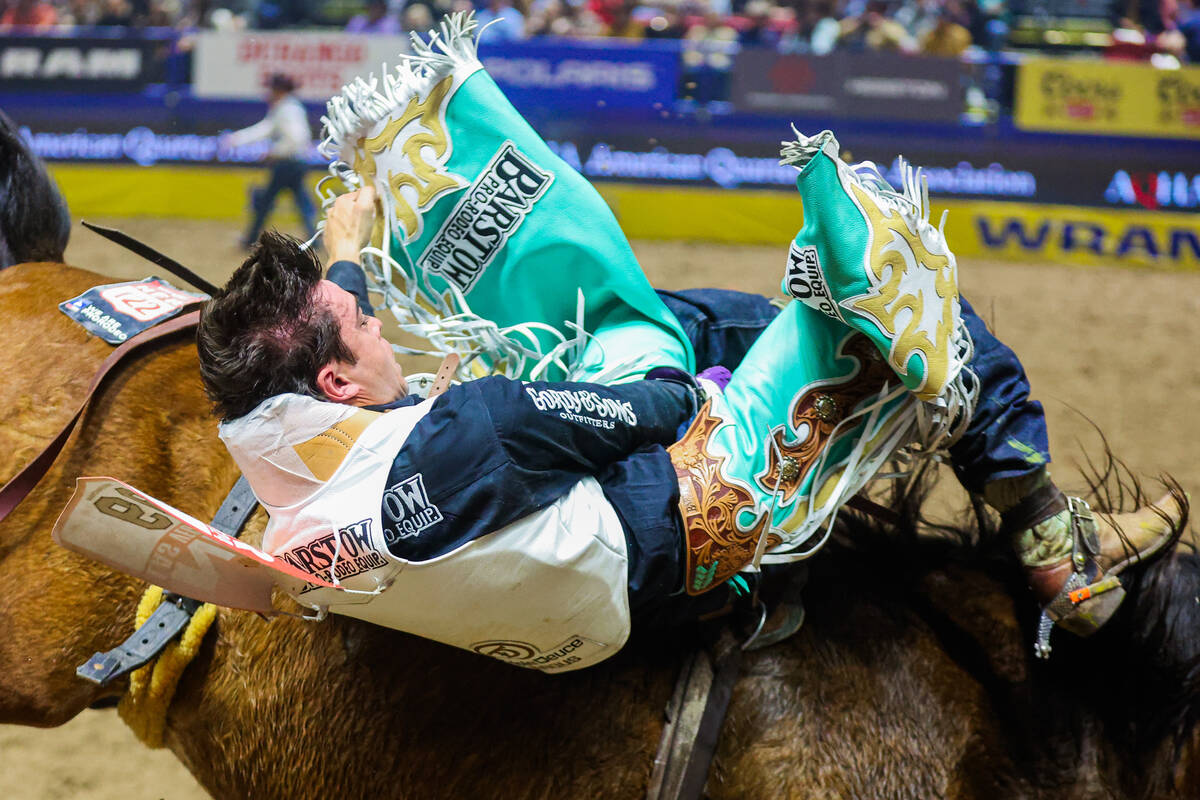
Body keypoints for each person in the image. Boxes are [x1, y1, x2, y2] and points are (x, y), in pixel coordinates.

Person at [196, 171, 1184, 672]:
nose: (378, 327)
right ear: (333, 379)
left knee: (641, 325)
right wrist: (677, 372)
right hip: (672, 531)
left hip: (557, 605)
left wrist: (345, 254)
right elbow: (660, 404)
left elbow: (334, 371)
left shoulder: (287, 505)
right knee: (888, 295)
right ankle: (1058, 546)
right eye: (365, 325)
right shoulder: (478, 423)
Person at [223, 73, 317, 250]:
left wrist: (274, 152)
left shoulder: (288, 110)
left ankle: (249, 239)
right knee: (301, 202)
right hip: (294, 163)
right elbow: (265, 129)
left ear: (279, 90)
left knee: (266, 203)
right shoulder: (287, 107)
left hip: (288, 164)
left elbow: (296, 139)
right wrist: (236, 139)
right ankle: (315, 239)